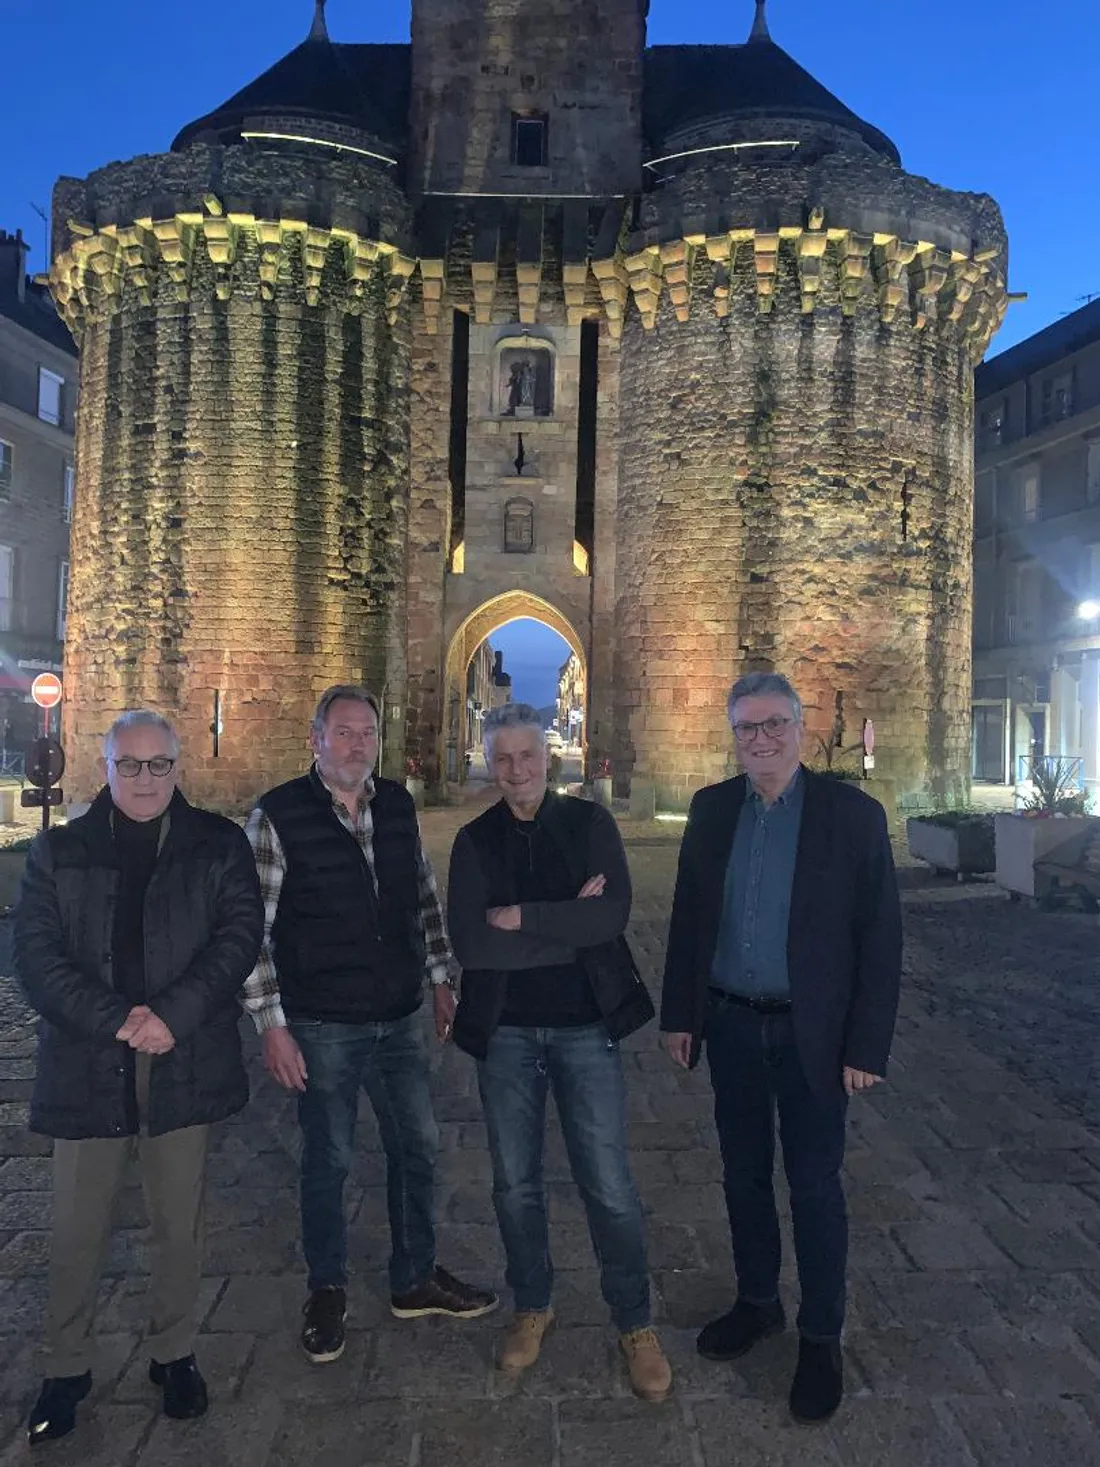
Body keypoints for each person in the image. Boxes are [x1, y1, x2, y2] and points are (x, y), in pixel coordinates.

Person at [15, 710, 264, 1445]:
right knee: (75, 1227)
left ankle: (174, 1350)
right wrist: (120, 1019)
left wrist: (173, 1016)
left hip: (181, 1060)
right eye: (132, 764)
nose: (147, 777)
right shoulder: (59, 851)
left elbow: (238, 935)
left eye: (159, 764)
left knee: (178, 1223)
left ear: (177, 766)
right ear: (107, 767)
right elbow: (36, 956)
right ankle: (65, 1364)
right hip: (91, 1063)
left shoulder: (216, 844)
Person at [661, 671, 901, 1424]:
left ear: (800, 729)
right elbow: (690, 919)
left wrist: (866, 1043)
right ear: (732, 736)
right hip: (731, 1023)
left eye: (773, 725)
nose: (760, 739)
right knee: (741, 1175)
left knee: (816, 1185)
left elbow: (881, 938)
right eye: (747, 728)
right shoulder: (711, 810)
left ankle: (821, 1335)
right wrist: (681, 1015)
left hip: (814, 1034)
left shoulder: (852, 816)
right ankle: (759, 1299)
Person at [243, 685, 496, 1365]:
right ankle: (326, 1287)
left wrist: (442, 977)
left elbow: (421, 895)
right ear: (316, 739)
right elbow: (251, 933)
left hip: (399, 1014)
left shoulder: (396, 804)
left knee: (419, 1147)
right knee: (327, 1159)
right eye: (344, 732)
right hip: (322, 1023)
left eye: (367, 733)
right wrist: (272, 1024)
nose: (358, 745)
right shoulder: (277, 815)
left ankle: (413, 1275)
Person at [446, 702, 671, 1402]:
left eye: (528, 755)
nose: (517, 768)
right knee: (515, 1183)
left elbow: (609, 916)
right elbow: (475, 944)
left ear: (550, 756)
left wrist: (522, 918)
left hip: (585, 1028)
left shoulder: (589, 823)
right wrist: (567, 919)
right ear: (491, 761)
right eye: (503, 757)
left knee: (609, 1183)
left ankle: (634, 1321)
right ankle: (532, 1303)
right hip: (506, 1033)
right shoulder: (473, 841)